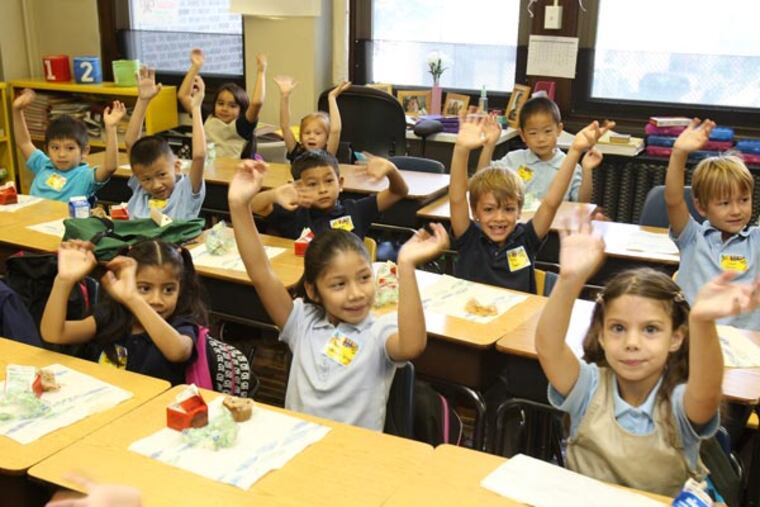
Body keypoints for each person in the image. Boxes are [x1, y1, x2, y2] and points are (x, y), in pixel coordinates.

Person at [536, 213, 760, 496]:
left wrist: (702, 323)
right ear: (602, 335)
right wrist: (569, 280)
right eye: (618, 328)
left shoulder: (679, 402)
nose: (632, 342)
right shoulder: (588, 387)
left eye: (650, 330)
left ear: (676, 338)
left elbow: (707, 392)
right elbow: (548, 348)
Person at [228, 159, 448, 430]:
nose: (356, 294)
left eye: (364, 278)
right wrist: (239, 206)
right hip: (298, 448)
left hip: (353, 457)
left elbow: (413, 345)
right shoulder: (301, 322)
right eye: (338, 285)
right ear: (313, 290)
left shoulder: (379, 331)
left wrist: (406, 267)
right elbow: (260, 271)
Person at [450, 114, 613, 293]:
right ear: (475, 212)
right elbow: (457, 199)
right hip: (469, 318)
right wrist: (461, 149)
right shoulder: (469, 238)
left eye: (509, 209)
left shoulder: (526, 239)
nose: (499, 218)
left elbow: (551, 202)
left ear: (519, 211)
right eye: (489, 209)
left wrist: (574, 151)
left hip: (518, 318)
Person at [40, 239, 207, 385]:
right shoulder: (112, 317)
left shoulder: (182, 324)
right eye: (144, 288)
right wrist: (63, 281)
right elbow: (54, 333)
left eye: (169, 290)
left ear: (181, 288)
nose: (157, 299)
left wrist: (134, 299)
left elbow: (178, 352)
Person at [665, 118, 760, 330]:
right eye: (724, 203)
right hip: (693, 339)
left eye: (744, 200)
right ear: (701, 207)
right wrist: (679, 153)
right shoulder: (692, 238)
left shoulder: (756, 239)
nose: (736, 210)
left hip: (745, 346)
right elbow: (673, 201)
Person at [251, 149, 408, 240]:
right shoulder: (294, 213)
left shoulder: (355, 210)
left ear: (340, 184)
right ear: (298, 187)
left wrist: (392, 170)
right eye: (312, 184)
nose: (322, 189)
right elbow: (253, 206)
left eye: (328, 181)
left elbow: (398, 192)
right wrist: (274, 195)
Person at [477, 96, 602, 203]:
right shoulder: (514, 159)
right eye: (533, 133)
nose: (541, 139)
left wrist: (587, 170)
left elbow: (582, 202)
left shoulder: (570, 165)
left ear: (559, 130)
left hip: (555, 227)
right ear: (522, 135)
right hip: (519, 226)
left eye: (547, 131)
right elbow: (482, 178)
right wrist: (489, 145)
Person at [124, 66, 207, 219]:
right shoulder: (141, 189)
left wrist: (195, 109)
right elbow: (130, 142)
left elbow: (199, 155)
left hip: (170, 243)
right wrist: (143, 100)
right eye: (146, 179)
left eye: (162, 175)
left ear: (176, 167)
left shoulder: (186, 190)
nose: (156, 185)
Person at [12, 91, 123, 202]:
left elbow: (110, 167)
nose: (61, 154)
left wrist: (111, 127)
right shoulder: (43, 164)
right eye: (55, 148)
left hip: (65, 219)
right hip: (34, 217)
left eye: (70, 148)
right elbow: (24, 142)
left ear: (84, 151)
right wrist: (17, 110)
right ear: (47, 150)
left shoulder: (85, 176)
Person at [178, 48, 266, 159]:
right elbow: (183, 96)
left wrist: (261, 71)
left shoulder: (242, 126)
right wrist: (195, 67)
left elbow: (257, 103)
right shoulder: (206, 117)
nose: (224, 108)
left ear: (241, 110)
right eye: (220, 103)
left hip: (229, 174)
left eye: (232, 106)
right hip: (203, 171)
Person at [274, 75, 351, 163]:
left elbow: (335, 130)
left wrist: (332, 97)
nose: (311, 136)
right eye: (307, 133)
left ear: (327, 139)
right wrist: (285, 96)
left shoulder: (327, 154)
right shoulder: (297, 152)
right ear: (301, 137)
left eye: (317, 133)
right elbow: (285, 126)